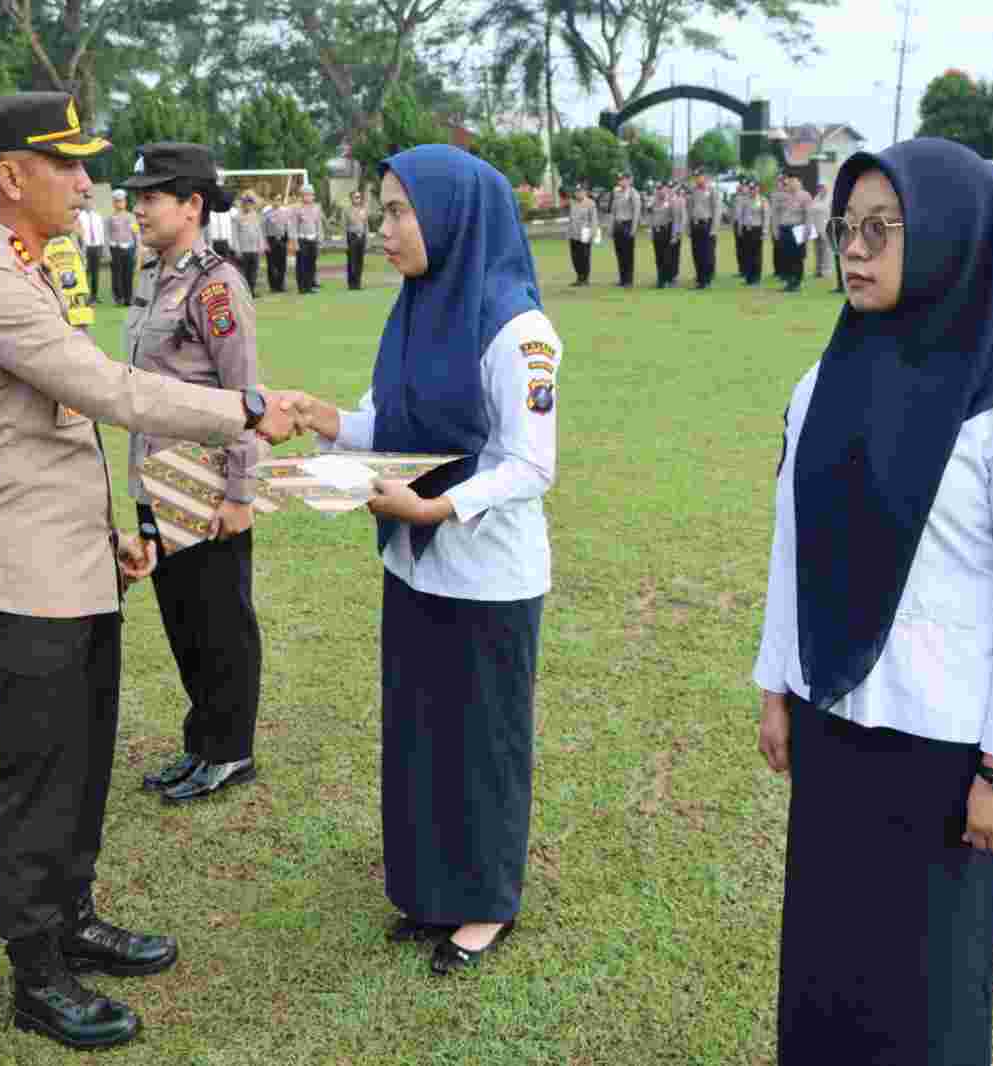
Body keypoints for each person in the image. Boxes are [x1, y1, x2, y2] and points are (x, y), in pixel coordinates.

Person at [0, 93, 300, 1051]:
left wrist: (110, 531)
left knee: (84, 763)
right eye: (70, 166)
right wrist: (248, 408)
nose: (91, 184)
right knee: (41, 776)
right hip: (24, 580)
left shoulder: (31, 266)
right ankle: (35, 970)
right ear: (12, 177)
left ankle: (73, 916)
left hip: (72, 565)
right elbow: (108, 392)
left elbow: (55, 435)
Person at [755, 138, 993, 1066]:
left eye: (882, 231)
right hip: (833, 719)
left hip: (944, 755)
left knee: (925, 982)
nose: (853, 252)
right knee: (826, 958)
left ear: (950, 239)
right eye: (844, 229)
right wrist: (778, 684)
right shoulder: (821, 382)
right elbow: (794, 544)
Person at [287, 144, 559, 978]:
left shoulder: (518, 329)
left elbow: (529, 463)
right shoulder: (413, 309)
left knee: (480, 742)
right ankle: (429, 890)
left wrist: (439, 506)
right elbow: (385, 424)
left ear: (452, 217)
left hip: (486, 575)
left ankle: (483, 905)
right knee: (420, 736)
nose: (384, 227)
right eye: (385, 209)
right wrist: (319, 416)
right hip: (412, 565)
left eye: (400, 210)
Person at [120, 142, 264, 804]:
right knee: (182, 619)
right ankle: (200, 739)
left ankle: (229, 749)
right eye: (137, 197)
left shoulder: (215, 285)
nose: (137, 208)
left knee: (218, 621)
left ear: (191, 205)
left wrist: (240, 493)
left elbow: (243, 396)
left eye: (150, 197)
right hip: (159, 477)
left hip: (205, 482)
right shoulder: (151, 276)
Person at [771, 174, 813, 293]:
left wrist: (807, 231)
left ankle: (796, 282)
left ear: (799, 182)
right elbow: (775, 214)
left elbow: (808, 215)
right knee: (786, 256)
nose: (791, 184)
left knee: (797, 257)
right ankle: (789, 281)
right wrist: (775, 229)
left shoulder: (805, 196)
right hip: (784, 228)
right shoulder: (782, 196)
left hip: (798, 228)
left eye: (794, 181)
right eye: (789, 182)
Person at [687, 169, 719, 289]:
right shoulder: (693, 191)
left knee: (707, 254)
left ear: (705, 177)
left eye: (699, 177)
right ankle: (700, 278)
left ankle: (706, 279)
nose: (697, 179)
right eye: (695, 177)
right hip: (695, 224)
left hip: (707, 224)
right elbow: (689, 209)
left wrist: (714, 228)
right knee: (697, 253)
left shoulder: (712, 191)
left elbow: (717, 210)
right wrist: (689, 227)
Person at [610, 171, 642, 287]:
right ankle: (622, 278)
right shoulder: (616, 192)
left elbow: (636, 213)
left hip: (627, 225)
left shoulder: (634, 194)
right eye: (619, 180)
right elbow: (613, 211)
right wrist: (611, 227)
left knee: (628, 254)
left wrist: (633, 229)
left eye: (623, 179)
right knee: (619, 254)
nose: (621, 182)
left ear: (629, 180)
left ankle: (628, 280)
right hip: (618, 225)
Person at [291, 186, 324, 294]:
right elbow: (293, 226)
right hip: (302, 239)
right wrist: (295, 242)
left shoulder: (316, 208)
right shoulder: (297, 208)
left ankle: (309, 286)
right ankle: (302, 287)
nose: (310, 197)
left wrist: (320, 239)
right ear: (302, 196)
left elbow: (318, 225)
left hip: (313, 238)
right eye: (307, 194)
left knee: (311, 264)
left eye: (311, 194)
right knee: (301, 264)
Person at [107, 189, 138, 306]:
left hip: (129, 248)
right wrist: (107, 252)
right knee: (116, 275)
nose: (120, 203)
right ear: (114, 203)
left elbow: (136, 235)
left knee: (128, 274)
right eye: (117, 201)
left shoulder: (131, 217)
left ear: (125, 202)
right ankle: (118, 298)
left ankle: (128, 298)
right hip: (115, 248)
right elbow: (107, 235)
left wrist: (138, 250)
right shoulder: (110, 218)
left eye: (122, 201)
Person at [232, 189, 266, 298]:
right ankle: (244, 293)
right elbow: (234, 234)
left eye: (250, 204)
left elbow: (259, 232)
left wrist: (261, 246)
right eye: (246, 204)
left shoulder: (255, 216)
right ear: (243, 204)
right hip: (243, 250)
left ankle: (251, 290)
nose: (248, 206)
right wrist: (237, 249)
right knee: (244, 273)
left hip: (254, 249)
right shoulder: (237, 217)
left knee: (253, 272)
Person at [566, 184, 598, 286]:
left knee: (584, 256)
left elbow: (594, 220)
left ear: (585, 192)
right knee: (575, 257)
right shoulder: (572, 203)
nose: (578, 193)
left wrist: (593, 233)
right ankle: (579, 277)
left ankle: (585, 278)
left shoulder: (590, 203)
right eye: (576, 191)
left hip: (585, 233)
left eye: (580, 191)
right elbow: (571, 219)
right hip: (573, 233)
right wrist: (568, 233)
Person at [646, 182, 676, 288]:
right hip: (656, 231)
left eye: (661, 189)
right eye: (658, 189)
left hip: (666, 231)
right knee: (658, 257)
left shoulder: (671, 202)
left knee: (666, 258)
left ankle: (667, 279)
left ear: (666, 189)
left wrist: (674, 234)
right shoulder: (653, 202)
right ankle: (660, 280)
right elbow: (649, 216)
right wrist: (649, 230)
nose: (659, 191)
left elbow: (675, 219)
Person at [76, 199, 106, 304]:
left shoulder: (97, 216)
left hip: (97, 246)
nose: (89, 204)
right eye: (87, 203)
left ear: (93, 204)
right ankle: (84, 296)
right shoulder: (79, 216)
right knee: (85, 272)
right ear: (84, 204)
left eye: (91, 203)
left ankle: (94, 296)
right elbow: (78, 232)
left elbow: (101, 232)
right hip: (85, 247)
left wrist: (102, 246)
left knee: (95, 272)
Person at [808, 181, 834, 285]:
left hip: (826, 228)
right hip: (816, 228)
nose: (821, 189)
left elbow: (833, 214)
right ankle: (818, 270)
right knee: (817, 250)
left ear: (826, 188)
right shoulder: (816, 198)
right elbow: (811, 212)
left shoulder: (830, 199)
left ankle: (826, 271)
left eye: (822, 187)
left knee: (826, 250)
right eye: (819, 188)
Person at [264, 193, 291, 293]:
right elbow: (263, 229)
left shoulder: (285, 212)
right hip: (271, 240)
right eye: (275, 199)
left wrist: (287, 240)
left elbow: (287, 227)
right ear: (271, 201)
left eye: (279, 199)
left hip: (282, 240)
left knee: (282, 264)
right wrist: (264, 243)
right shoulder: (267, 214)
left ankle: (281, 285)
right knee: (271, 265)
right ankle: (273, 286)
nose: (277, 202)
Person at [345, 188, 370, 290]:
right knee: (352, 261)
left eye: (359, 197)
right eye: (356, 197)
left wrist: (367, 240)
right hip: (352, 236)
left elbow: (366, 225)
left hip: (361, 237)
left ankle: (358, 283)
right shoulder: (347, 210)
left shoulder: (364, 210)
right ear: (351, 199)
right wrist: (344, 243)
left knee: (360, 261)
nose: (358, 199)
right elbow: (343, 226)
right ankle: (352, 284)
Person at [205, 195, 235, 259]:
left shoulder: (229, 212)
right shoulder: (209, 212)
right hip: (213, 242)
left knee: (226, 263)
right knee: (213, 263)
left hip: (225, 242)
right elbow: (206, 229)